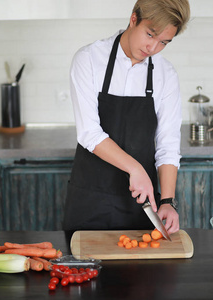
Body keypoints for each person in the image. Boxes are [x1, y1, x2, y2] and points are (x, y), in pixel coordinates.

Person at [63, 0, 190, 233]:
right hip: (90, 200)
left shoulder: (166, 74)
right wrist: (135, 169)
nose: (153, 47)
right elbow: (89, 133)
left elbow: (168, 144)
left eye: (163, 42)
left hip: (140, 205)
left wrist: (168, 201)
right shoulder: (89, 59)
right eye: (150, 35)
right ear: (134, 19)